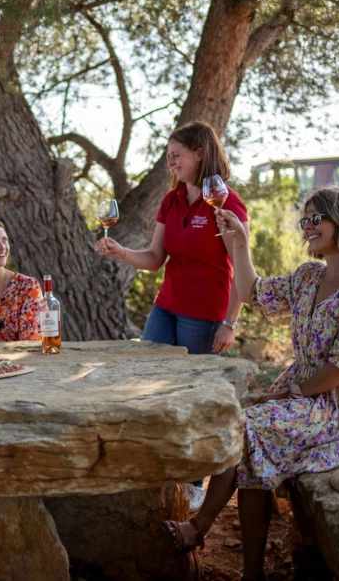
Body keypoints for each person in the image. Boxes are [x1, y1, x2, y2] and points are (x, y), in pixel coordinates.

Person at [161, 185, 339, 581]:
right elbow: (252, 291)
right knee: (253, 441)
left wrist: (292, 391)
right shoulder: (308, 276)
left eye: (315, 218)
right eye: (304, 220)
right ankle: (251, 574)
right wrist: (239, 242)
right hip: (302, 389)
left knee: (250, 426)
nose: (307, 227)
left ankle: (199, 528)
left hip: (338, 405)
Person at [96, 120, 250, 510]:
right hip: (166, 308)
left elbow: (243, 270)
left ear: (200, 153)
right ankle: (157, 464)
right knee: (147, 380)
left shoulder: (227, 203)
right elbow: (155, 258)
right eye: (168, 156)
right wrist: (121, 252)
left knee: (192, 395)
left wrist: (230, 322)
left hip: (205, 315)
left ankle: (193, 483)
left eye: (176, 154)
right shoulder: (171, 200)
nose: (171, 161)